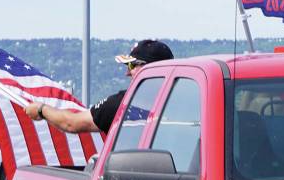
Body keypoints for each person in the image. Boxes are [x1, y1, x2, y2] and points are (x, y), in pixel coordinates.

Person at [24, 39, 173, 134]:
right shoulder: (188, 101)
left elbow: (72, 123)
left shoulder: (123, 104)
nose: (128, 72)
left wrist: (41, 110)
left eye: (132, 65)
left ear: (152, 68)